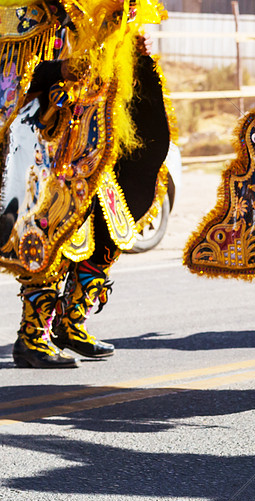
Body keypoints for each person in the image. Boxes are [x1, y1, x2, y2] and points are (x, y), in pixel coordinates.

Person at [1, 1, 173, 369]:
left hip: (97, 145)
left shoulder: (101, 13)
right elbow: (12, 75)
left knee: (114, 222)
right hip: (45, 145)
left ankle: (71, 319)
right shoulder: (29, 12)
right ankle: (32, 336)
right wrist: (59, 70)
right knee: (50, 230)